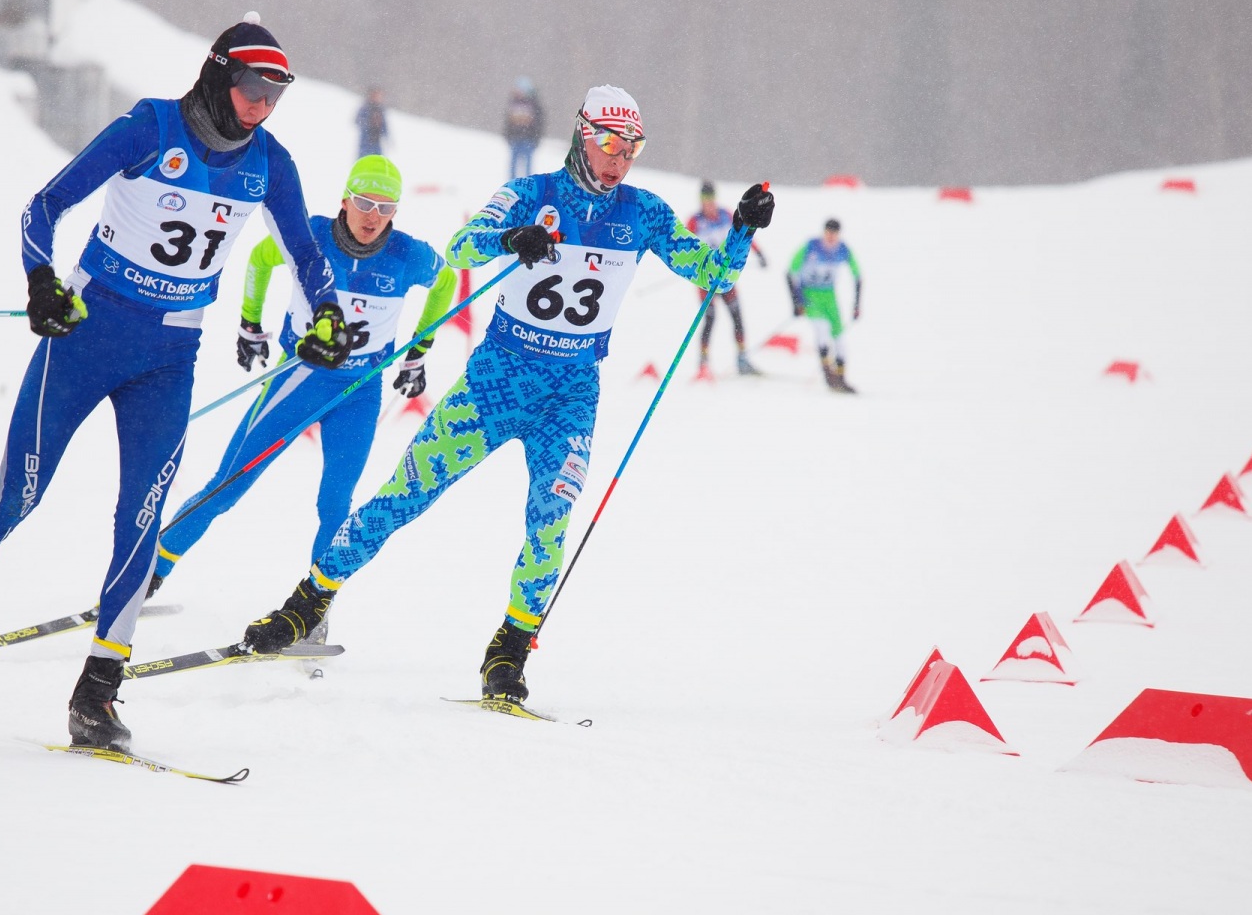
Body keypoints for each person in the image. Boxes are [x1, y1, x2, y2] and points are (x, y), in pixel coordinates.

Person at [0, 14, 356, 752]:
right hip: (86, 336)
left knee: (142, 516)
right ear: (221, 75)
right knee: (18, 493)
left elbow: (307, 253)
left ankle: (98, 690)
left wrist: (326, 314)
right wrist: (41, 281)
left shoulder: (271, 164)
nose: (262, 107)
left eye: (275, 96)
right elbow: (44, 206)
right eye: (254, 88)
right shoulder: (149, 128)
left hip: (169, 359)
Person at [233, 85, 773, 705]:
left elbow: (715, 276)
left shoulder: (643, 212)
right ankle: (306, 604)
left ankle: (509, 653)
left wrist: (740, 231)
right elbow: (462, 248)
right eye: (609, 144)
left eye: (632, 147)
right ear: (581, 137)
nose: (620, 158)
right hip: (497, 379)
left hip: (571, 393)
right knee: (406, 495)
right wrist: (512, 238)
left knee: (550, 520)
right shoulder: (532, 194)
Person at [150, 154, 456, 633]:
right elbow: (261, 259)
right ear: (344, 201)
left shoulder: (407, 255)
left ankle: (314, 611)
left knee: (336, 503)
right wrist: (252, 324)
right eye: (363, 202)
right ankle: (151, 571)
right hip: (299, 379)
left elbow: (447, 281)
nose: (372, 215)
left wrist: (421, 349)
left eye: (384, 206)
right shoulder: (310, 237)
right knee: (229, 485)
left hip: (359, 392)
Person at [687, 180, 765, 378]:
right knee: (710, 318)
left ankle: (742, 359)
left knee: (737, 316)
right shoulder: (695, 221)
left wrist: (759, 253)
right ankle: (703, 362)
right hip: (705, 279)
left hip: (726, 277)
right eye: (705, 199)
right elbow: (686, 245)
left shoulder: (726, 215)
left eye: (711, 199)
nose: (709, 203)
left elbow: (742, 234)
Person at [787, 217, 863, 393]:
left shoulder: (843, 250)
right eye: (828, 233)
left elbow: (858, 276)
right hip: (810, 296)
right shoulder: (811, 247)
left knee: (840, 338)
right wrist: (796, 302)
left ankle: (841, 378)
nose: (831, 237)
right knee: (821, 331)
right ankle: (828, 374)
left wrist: (857, 305)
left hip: (830, 298)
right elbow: (790, 272)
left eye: (834, 234)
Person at [502, 77, 543, 179]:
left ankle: (528, 183)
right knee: (513, 163)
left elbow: (539, 123)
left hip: (529, 139)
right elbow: (508, 121)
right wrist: (507, 135)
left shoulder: (534, 104)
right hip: (515, 138)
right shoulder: (513, 103)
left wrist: (536, 138)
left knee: (527, 164)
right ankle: (512, 183)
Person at [355, 87, 389, 158]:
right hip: (366, 140)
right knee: (363, 158)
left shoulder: (380, 109)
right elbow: (358, 121)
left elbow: (384, 125)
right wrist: (369, 123)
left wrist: (387, 136)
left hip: (376, 141)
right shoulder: (365, 108)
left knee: (378, 159)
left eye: (379, 96)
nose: (377, 97)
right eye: (375, 95)